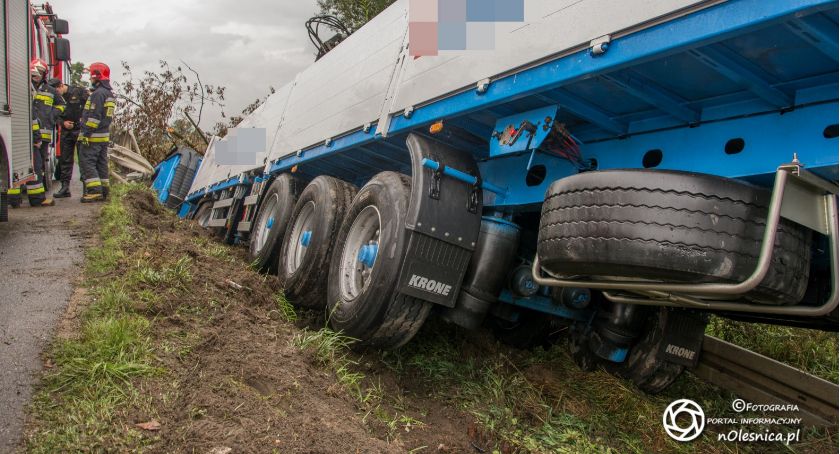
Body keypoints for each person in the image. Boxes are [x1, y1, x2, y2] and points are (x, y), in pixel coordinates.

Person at [78, 62, 115, 203]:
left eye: (91, 76)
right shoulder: (108, 94)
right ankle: (104, 190)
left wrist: (86, 134)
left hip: (93, 136)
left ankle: (94, 191)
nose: (90, 79)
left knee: (87, 162)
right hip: (103, 136)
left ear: (97, 76)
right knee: (101, 163)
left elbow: (94, 117)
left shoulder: (98, 94)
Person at [29, 59, 63, 207]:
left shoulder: (50, 90)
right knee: (30, 164)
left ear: (44, 74)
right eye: (34, 73)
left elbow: (62, 105)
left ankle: (35, 193)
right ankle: (18, 198)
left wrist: (51, 115)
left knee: (40, 164)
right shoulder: (26, 86)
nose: (36, 76)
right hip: (28, 132)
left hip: (43, 134)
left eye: (39, 73)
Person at [53, 79, 88, 198]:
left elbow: (89, 107)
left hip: (79, 129)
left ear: (61, 86)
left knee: (83, 159)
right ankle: (65, 188)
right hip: (66, 131)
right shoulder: (55, 97)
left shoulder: (79, 91)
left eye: (57, 91)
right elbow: (54, 115)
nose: (56, 94)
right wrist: (63, 123)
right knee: (65, 160)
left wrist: (84, 120)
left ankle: (86, 188)